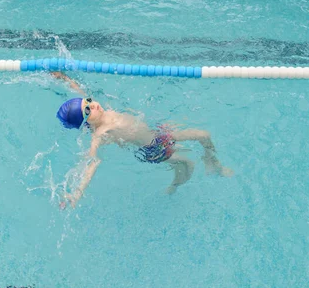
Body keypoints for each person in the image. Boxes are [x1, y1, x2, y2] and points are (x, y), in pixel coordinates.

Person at [52, 71, 233, 209]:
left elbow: (81, 91)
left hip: (158, 131)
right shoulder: (100, 133)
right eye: (87, 110)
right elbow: (92, 163)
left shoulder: (100, 110)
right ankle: (174, 186)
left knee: (204, 135)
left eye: (89, 101)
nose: (93, 105)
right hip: (154, 148)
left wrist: (65, 79)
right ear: (85, 122)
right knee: (188, 166)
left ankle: (213, 164)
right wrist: (77, 193)